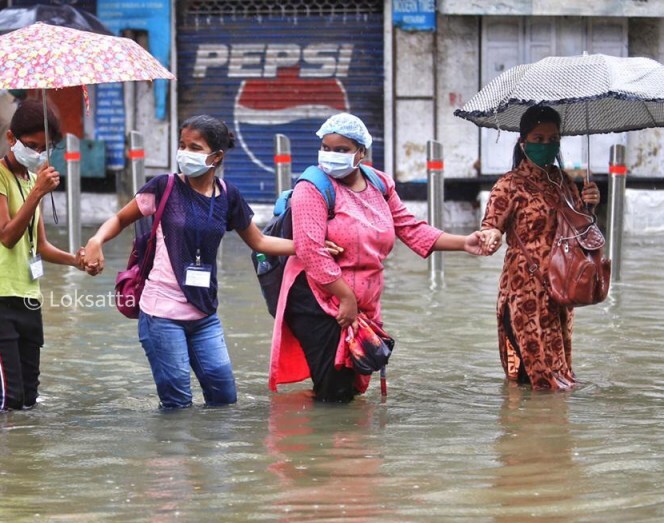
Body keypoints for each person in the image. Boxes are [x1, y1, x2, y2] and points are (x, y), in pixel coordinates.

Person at [82, 114, 324, 409]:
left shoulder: (228, 195)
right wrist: (96, 240)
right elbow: (120, 218)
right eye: (182, 145)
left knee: (224, 399)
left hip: (204, 314)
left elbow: (259, 242)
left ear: (216, 156)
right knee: (177, 404)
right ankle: (173, 455)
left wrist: (310, 247)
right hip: (161, 314)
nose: (185, 153)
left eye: (195, 147)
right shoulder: (164, 187)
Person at [269, 113, 489, 403]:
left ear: (361, 152)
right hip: (319, 297)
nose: (331, 156)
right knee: (335, 391)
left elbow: (410, 228)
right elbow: (311, 251)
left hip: (364, 300)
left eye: (342, 150)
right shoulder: (311, 188)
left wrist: (464, 242)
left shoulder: (380, 184)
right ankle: (306, 435)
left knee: (351, 386)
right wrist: (346, 298)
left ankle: (316, 428)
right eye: (326, 148)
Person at [0, 98, 82, 416]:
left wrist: (77, 260)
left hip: (28, 297)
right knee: (8, 400)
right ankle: (0, 461)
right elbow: (7, 235)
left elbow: (40, 246)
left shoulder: (32, 180)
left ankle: (24, 461)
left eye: (45, 147)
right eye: (31, 145)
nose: (38, 153)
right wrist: (37, 195)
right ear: (11, 139)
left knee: (29, 401)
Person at [478, 105, 601, 390]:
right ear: (523, 142)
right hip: (524, 293)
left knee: (561, 374)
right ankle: (526, 430)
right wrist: (491, 236)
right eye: (538, 139)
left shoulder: (564, 182)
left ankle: (549, 431)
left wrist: (589, 207)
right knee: (539, 377)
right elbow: (491, 224)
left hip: (561, 289)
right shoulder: (508, 185)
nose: (546, 145)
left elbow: (580, 233)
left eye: (552, 139)